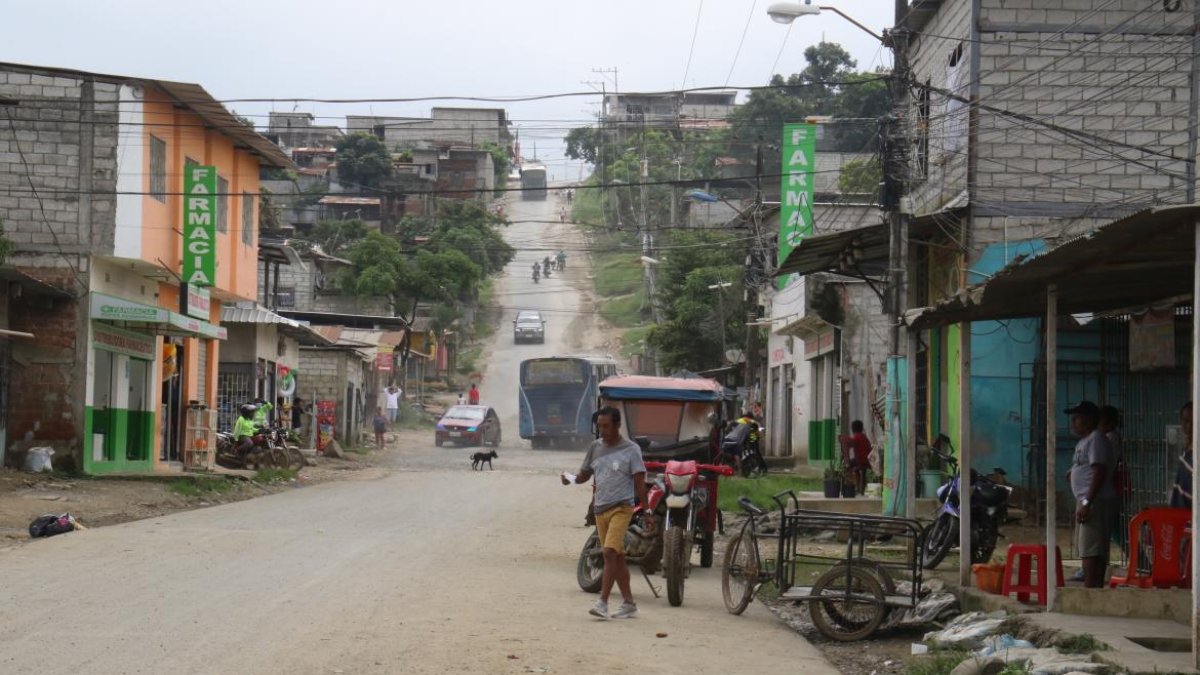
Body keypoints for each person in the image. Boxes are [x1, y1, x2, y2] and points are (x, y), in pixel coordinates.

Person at [561, 406, 649, 619]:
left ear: (618, 425)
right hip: (601, 510)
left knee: (609, 552)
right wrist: (571, 478)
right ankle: (629, 603)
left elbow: (639, 482)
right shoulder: (595, 447)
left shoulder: (631, 450)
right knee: (617, 557)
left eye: (606, 426)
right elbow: (585, 475)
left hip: (622, 508)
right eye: (599, 426)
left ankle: (603, 602)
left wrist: (647, 510)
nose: (602, 430)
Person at [1065, 400, 1118, 588]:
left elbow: (1099, 470)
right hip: (1087, 499)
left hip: (1096, 500)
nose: (1073, 423)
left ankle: (1091, 590)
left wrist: (1088, 501)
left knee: (1091, 549)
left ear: (1088, 420)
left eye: (1076, 419)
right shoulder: (1084, 441)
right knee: (1089, 548)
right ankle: (1093, 588)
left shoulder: (1096, 438)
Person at [1170, 401, 1193, 509]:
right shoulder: (1186, 448)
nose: (1190, 426)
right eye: (1186, 421)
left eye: (1193, 421)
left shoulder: (1194, 453)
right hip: (1181, 514)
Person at [848, 420, 873, 494]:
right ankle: (862, 489)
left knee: (848, 464)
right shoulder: (864, 437)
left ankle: (855, 486)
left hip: (859, 460)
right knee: (862, 472)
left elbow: (850, 444)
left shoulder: (856, 436)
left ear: (853, 429)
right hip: (867, 460)